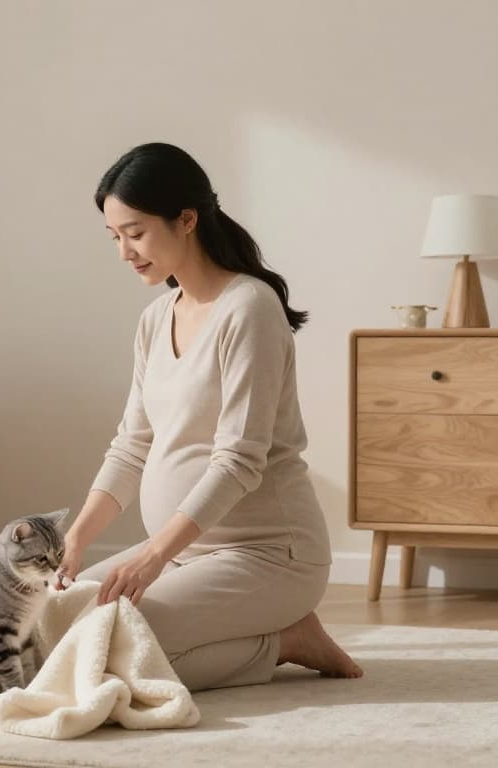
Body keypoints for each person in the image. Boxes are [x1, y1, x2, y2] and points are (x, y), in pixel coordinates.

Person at [56, 142, 363, 691]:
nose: (124, 251)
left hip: (269, 555)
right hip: (183, 555)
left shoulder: (249, 308)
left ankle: (286, 639)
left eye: (135, 232)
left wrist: (152, 556)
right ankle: (267, 634)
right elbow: (132, 445)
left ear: (187, 219)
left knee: (115, 652)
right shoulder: (155, 318)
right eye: (114, 237)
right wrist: (75, 540)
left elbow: (239, 460)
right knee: (56, 630)